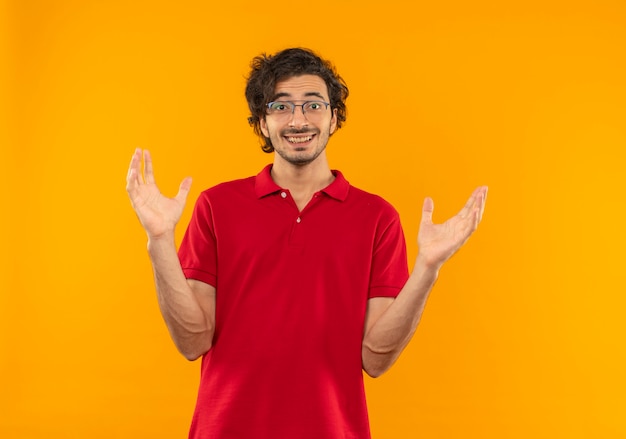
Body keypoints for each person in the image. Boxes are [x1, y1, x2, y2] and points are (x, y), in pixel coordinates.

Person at [126, 48, 487, 439]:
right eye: (280, 106)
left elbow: (375, 359)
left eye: (313, 105)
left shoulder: (378, 218)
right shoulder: (216, 206)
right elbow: (192, 341)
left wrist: (428, 268)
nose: (298, 119)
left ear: (334, 118)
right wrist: (160, 241)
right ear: (262, 123)